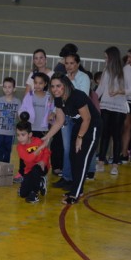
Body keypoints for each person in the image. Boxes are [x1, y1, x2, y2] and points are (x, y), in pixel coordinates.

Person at [39, 72, 101, 205]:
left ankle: (75, 195)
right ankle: (78, 189)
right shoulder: (58, 99)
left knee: (82, 159)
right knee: (73, 157)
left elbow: (87, 118)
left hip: (92, 126)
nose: (55, 89)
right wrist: (47, 137)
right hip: (79, 125)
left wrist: (80, 137)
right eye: (53, 86)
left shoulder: (77, 96)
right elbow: (59, 121)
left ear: (65, 85)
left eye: (58, 86)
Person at [53, 53, 91, 188]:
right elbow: (58, 97)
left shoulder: (83, 78)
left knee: (77, 148)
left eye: (71, 63)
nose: (69, 66)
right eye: (66, 63)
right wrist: (54, 112)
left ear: (78, 64)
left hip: (80, 118)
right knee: (66, 148)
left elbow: (82, 97)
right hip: (66, 116)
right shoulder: (63, 78)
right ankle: (66, 176)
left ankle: (75, 178)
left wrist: (68, 86)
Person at [13, 72, 54, 183]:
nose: (37, 85)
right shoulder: (29, 95)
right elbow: (22, 108)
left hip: (42, 130)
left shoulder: (49, 97)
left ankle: (41, 173)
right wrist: (22, 115)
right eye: (35, 83)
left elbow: (54, 110)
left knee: (41, 152)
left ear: (45, 84)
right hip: (30, 129)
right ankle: (22, 172)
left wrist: (52, 114)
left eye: (40, 83)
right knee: (25, 152)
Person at [96, 46, 128, 175]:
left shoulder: (124, 71)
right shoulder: (106, 71)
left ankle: (115, 164)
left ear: (112, 57)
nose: (105, 60)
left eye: (106, 57)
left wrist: (119, 91)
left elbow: (129, 90)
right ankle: (101, 162)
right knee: (104, 135)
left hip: (119, 108)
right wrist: (91, 99)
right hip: (105, 106)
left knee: (116, 136)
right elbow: (100, 89)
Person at [16, 119, 50, 204]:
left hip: (42, 167)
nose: (20, 138)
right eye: (18, 135)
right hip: (29, 170)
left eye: (23, 135)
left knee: (36, 168)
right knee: (23, 194)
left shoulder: (38, 141)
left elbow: (47, 152)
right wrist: (39, 149)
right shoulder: (19, 147)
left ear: (30, 134)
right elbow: (28, 159)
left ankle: (34, 193)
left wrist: (43, 161)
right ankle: (41, 182)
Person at [0, 77, 21, 163]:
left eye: (9, 87)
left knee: (8, 152)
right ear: (2, 88)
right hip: (0, 132)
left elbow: (19, 116)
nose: (7, 89)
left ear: (14, 89)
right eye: (5, 87)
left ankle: (5, 169)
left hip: (10, 132)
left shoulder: (17, 102)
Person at [120, 48, 131, 164]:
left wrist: (123, 91)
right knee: (126, 126)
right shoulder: (126, 69)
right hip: (127, 101)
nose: (128, 59)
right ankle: (124, 153)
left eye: (130, 57)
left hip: (128, 97)